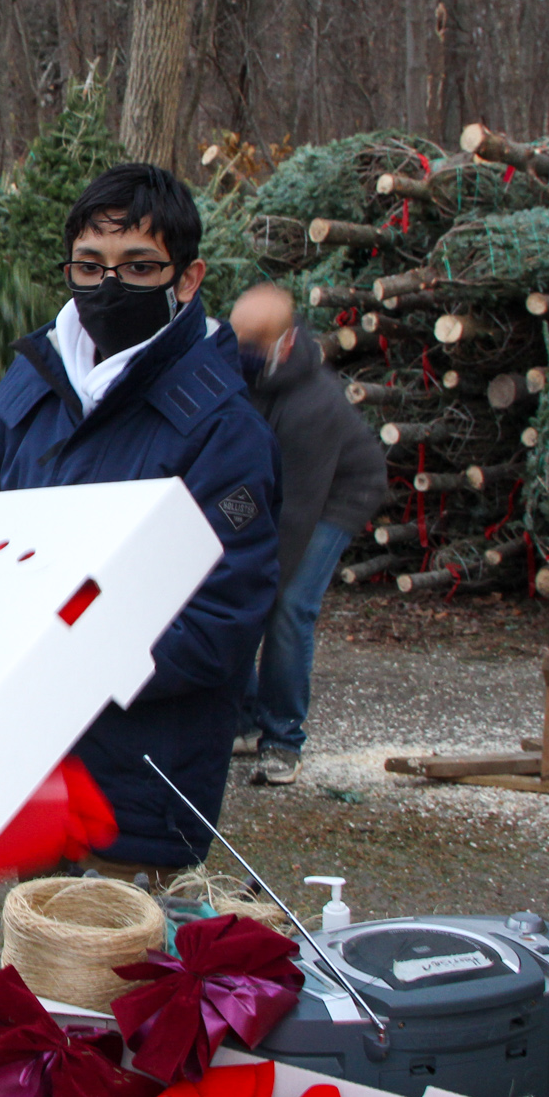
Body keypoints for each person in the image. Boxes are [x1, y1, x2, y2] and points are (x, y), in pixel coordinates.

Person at [0, 163, 280, 878]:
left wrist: (75, 659)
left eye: (139, 267)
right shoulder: (35, 381)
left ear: (187, 278)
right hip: (28, 766)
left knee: (116, 945)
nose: (109, 286)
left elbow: (224, 617)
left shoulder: (222, 429)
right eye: (90, 265)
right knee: (31, 940)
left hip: (139, 784)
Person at [227, 283, 387, 786]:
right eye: (240, 341)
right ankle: (244, 721)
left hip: (334, 494)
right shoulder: (236, 373)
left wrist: (259, 579)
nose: (245, 352)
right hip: (274, 486)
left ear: (286, 341)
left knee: (287, 605)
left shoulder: (312, 404)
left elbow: (296, 514)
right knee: (229, 592)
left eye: (256, 344)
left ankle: (283, 739)